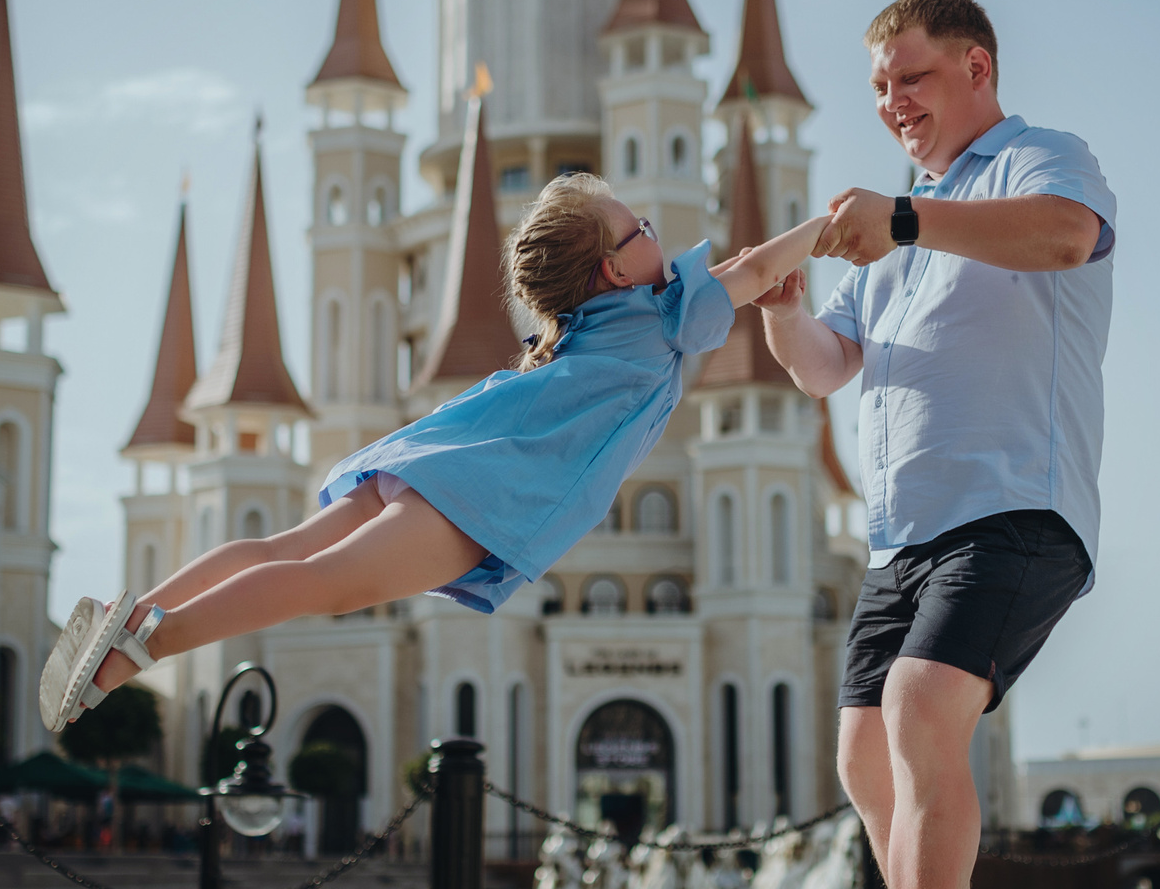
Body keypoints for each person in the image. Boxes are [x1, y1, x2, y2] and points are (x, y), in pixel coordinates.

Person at [41, 172, 831, 729]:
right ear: (615, 266)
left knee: (288, 549)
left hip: (440, 453)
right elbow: (755, 266)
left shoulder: (599, 322)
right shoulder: (662, 317)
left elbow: (751, 276)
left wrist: (773, 285)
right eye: (643, 229)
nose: (658, 234)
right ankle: (144, 645)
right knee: (325, 583)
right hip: (481, 493)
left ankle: (130, 612)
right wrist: (838, 225)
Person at [758, 0, 1116, 889]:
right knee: (865, 758)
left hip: (1015, 505)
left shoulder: (1038, 159)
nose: (892, 102)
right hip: (900, 539)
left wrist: (908, 219)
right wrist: (782, 308)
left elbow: (1065, 236)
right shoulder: (891, 231)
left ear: (976, 67)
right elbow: (827, 368)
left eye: (909, 76)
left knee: (919, 712)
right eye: (878, 86)